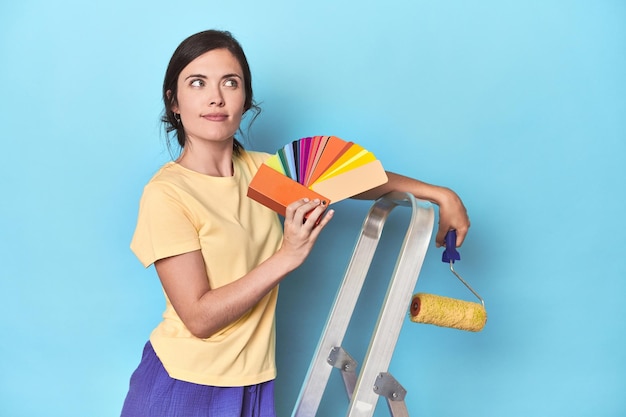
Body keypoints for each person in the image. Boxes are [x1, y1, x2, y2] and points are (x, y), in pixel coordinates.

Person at [120, 29, 470, 417]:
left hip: (252, 383)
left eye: (230, 83)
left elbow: (355, 177)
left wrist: (440, 194)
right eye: (197, 82)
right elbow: (199, 319)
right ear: (174, 102)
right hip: (184, 384)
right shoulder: (167, 194)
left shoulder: (261, 172)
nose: (215, 97)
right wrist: (288, 255)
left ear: (245, 99)